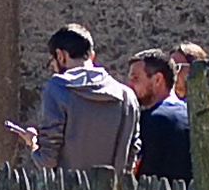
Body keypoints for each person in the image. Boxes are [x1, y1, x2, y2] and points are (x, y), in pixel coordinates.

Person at [10, 24, 142, 173]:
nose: (53, 69)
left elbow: (48, 160)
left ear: (61, 56)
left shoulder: (57, 88)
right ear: (92, 55)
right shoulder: (127, 96)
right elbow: (131, 158)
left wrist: (33, 144)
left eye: (52, 63)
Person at [127, 49, 191, 183]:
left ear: (157, 79)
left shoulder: (146, 121)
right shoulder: (191, 116)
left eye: (136, 78)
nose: (130, 86)